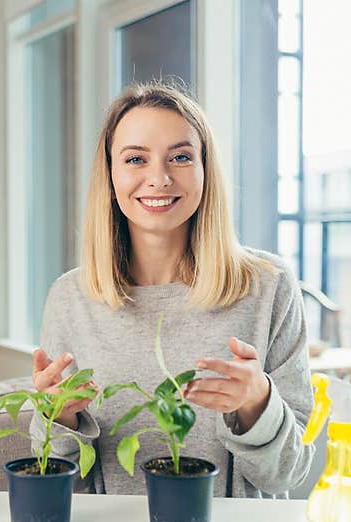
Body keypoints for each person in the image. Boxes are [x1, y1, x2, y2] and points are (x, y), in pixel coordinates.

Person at [28, 80, 315, 498]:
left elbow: (289, 476)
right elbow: (58, 479)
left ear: (204, 170)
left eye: (180, 157)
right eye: (135, 159)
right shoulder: (71, 297)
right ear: (110, 175)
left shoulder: (268, 285)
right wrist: (61, 420)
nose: (159, 178)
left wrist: (258, 403)